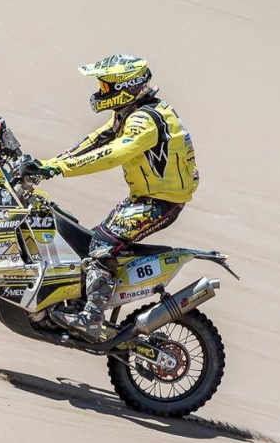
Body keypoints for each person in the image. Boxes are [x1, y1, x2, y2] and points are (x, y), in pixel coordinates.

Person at [34, 54, 199, 342]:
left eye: (107, 87)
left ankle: (91, 319)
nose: (101, 92)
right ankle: (78, 303)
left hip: (161, 203)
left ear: (128, 86)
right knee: (89, 240)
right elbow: (97, 139)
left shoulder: (144, 121)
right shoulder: (129, 112)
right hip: (145, 197)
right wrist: (48, 164)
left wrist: (61, 168)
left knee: (102, 245)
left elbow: (113, 154)